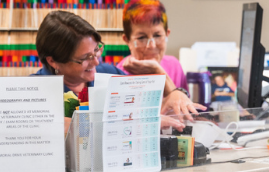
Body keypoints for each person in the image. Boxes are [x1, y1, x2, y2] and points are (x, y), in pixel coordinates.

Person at [33, 10, 182, 134]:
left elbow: (147, 110)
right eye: (85, 58)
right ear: (52, 61)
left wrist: (173, 94)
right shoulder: (34, 94)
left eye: (96, 50)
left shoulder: (110, 74)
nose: (96, 62)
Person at [117, 0, 204, 117]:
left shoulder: (174, 65)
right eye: (141, 38)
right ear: (127, 40)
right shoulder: (119, 75)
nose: (151, 45)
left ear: (167, 34)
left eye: (157, 35)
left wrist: (158, 72)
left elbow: (185, 116)